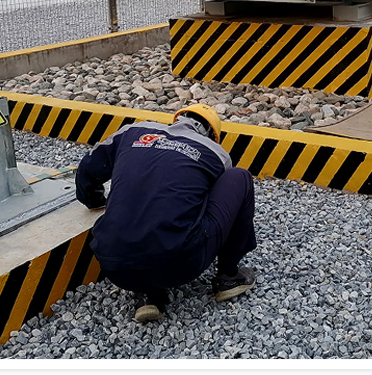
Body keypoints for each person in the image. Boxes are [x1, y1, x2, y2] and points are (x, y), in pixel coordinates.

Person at [75, 103, 257, 323]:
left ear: (177, 119)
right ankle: (228, 277)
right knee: (239, 177)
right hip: (180, 266)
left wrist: (94, 200)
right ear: (213, 135)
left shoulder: (132, 132)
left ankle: (147, 294)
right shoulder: (215, 153)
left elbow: (87, 168)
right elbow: (211, 202)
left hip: (114, 265)